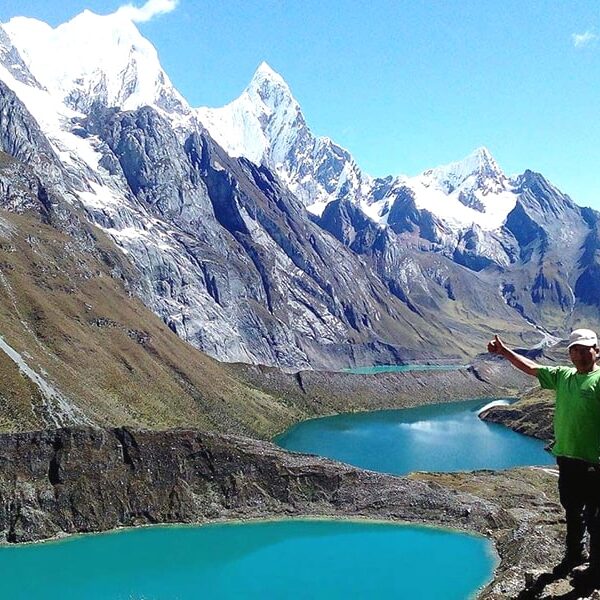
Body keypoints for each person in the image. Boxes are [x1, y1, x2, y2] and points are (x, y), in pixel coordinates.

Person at [488, 329, 600, 584]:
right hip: (568, 459)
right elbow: (532, 368)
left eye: (586, 350)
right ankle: (575, 555)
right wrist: (504, 352)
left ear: (597, 351)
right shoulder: (563, 376)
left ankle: (596, 571)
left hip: (596, 463)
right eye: (575, 351)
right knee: (572, 511)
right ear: (569, 354)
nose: (580, 355)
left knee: (594, 519)